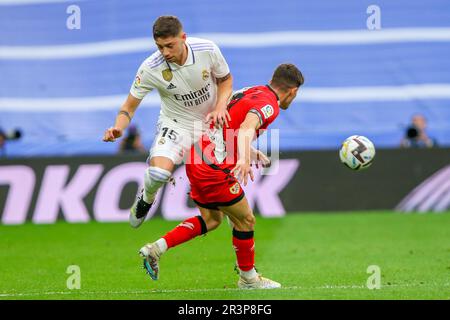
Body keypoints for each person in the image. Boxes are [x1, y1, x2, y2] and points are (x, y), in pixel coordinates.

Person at [139, 63, 304, 289]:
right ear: (293, 91)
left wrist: (250, 152)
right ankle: (248, 278)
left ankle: (155, 249)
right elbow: (246, 129)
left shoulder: (250, 91)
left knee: (212, 220)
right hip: (212, 166)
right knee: (246, 220)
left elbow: (226, 123)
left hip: (196, 155)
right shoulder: (269, 105)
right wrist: (244, 160)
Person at [102, 16, 233, 228]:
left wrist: (220, 107)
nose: (165, 53)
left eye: (170, 46)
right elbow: (128, 108)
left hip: (211, 125)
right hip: (176, 123)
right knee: (159, 173)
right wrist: (118, 127)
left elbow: (225, 80)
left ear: (183, 38)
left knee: (220, 212)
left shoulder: (207, 49)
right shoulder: (150, 68)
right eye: (159, 47)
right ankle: (147, 197)